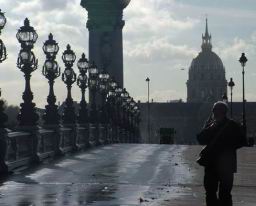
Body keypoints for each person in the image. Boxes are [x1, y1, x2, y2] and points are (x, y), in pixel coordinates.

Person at [197, 101, 247, 206]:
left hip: (214, 164)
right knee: (224, 194)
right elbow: (243, 141)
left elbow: (200, 139)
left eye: (215, 111)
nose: (215, 114)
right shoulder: (232, 125)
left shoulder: (214, 125)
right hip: (226, 164)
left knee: (211, 194)